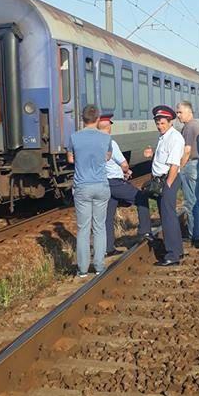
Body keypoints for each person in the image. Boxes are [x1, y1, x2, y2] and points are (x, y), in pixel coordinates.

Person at [67, 105, 112, 278]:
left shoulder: (74, 137)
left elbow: (71, 159)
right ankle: (99, 266)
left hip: (82, 187)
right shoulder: (105, 138)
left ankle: (83, 269)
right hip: (101, 185)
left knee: (83, 229)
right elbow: (107, 157)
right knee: (99, 227)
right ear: (98, 119)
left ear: (82, 118)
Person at [96, 115, 148, 256]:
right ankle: (144, 231)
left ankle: (108, 248)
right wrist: (126, 171)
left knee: (108, 216)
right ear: (109, 127)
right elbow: (124, 164)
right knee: (141, 198)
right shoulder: (111, 143)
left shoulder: (93, 143)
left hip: (102, 183)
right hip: (114, 183)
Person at [142, 105, 185, 267]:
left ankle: (172, 255)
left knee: (168, 218)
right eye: (158, 123)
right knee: (167, 216)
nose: (160, 126)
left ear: (170, 121)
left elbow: (174, 164)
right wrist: (151, 155)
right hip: (162, 179)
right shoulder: (164, 137)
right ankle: (177, 249)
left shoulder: (175, 138)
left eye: (162, 123)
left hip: (169, 180)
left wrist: (167, 184)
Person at [176, 101, 199, 246]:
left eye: (180, 112)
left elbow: (186, 151)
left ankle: (194, 235)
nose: (177, 115)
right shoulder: (197, 125)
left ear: (188, 112)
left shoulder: (188, 127)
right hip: (198, 164)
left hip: (190, 166)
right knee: (198, 201)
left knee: (190, 202)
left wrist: (179, 167)